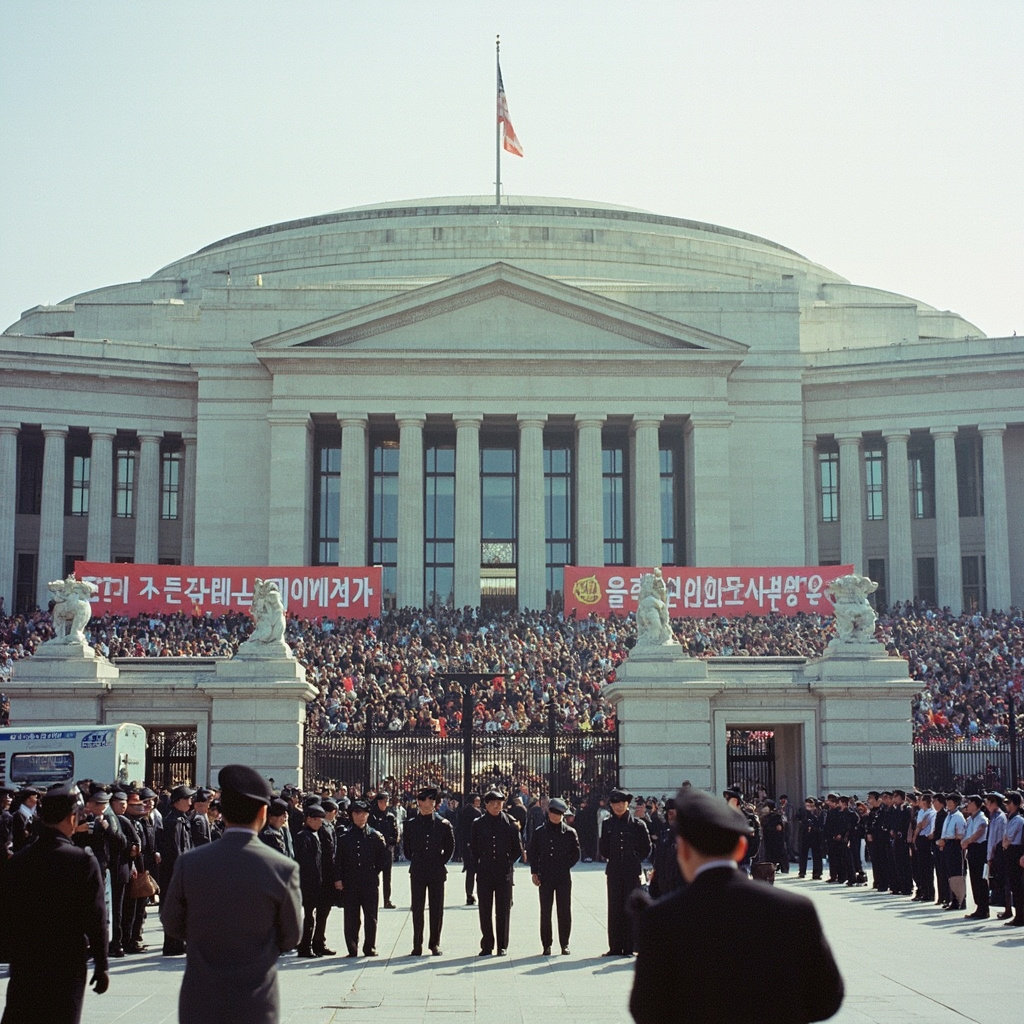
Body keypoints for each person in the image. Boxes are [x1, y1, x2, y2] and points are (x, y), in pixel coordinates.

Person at [630, 787, 844, 1024]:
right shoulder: (795, 909)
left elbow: (646, 1010)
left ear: (683, 851)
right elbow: (827, 998)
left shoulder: (661, 919)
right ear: (742, 848)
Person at [161, 764, 302, 1024]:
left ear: (223, 814)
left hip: (201, 997)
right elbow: (291, 936)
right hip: (255, 1001)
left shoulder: (190, 863)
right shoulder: (283, 868)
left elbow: (172, 923)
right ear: (263, 811)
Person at [0, 782, 109, 1024]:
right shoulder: (81, 861)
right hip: (66, 963)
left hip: (25, 962)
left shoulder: (18, 861)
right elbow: (96, 917)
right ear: (72, 819)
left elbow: (5, 914)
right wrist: (102, 964)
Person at [470, 788, 524, 956]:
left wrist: (507, 861)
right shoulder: (478, 824)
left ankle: (502, 945)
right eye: (492, 803)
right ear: (486, 805)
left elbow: (518, 849)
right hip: (485, 870)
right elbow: (473, 846)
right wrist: (481, 861)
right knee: (485, 909)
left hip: (503, 871)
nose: (496, 806)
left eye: (499, 803)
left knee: (503, 910)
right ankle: (487, 944)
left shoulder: (510, 823)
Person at [402, 785, 455, 955]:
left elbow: (450, 847)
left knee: (436, 908)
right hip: (418, 870)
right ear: (419, 802)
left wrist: (440, 861)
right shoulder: (410, 825)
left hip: (436, 870)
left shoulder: (443, 824)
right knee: (417, 908)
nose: (430, 802)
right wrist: (418, 859)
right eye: (426, 799)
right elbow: (407, 849)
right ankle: (417, 943)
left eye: (433, 799)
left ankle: (434, 943)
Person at [599, 788, 651, 956]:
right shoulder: (607, 824)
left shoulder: (637, 825)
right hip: (614, 870)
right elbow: (604, 849)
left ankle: (629, 946)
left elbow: (647, 848)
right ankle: (615, 946)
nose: (618, 806)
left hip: (632, 871)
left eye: (621, 803)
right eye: (615, 803)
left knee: (630, 907)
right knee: (614, 907)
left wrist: (634, 858)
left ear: (627, 804)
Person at [334, 798, 389, 956]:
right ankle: (352, 947)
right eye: (357, 813)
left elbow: (384, 857)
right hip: (350, 881)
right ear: (351, 815)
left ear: (367, 815)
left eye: (363, 813)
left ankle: (369, 946)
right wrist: (338, 878)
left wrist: (374, 870)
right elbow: (338, 860)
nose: (360, 816)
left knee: (370, 916)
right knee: (351, 916)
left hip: (369, 881)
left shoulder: (375, 836)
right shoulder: (345, 837)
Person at [526, 796, 580, 954]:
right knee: (545, 911)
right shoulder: (540, 832)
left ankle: (565, 943)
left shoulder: (570, 833)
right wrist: (534, 872)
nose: (555, 816)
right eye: (552, 812)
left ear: (563, 814)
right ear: (548, 812)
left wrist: (565, 865)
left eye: (558, 813)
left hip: (563, 876)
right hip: (546, 875)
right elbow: (533, 853)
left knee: (564, 910)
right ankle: (546, 944)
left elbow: (576, 854)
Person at [158, 784, 195, 955]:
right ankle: (172, 944)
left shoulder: (182, 818)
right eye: (187, 799)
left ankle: (178, 942)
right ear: (178, 801)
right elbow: (175, 850)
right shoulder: (173, 821)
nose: (190, 802)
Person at [293, 803, 327, 957]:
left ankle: (309, 945)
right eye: (318, 819)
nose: (321, 822)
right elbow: (306, 863)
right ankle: (304, 946)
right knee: (308, 916)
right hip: (307, 884)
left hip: (314, 883)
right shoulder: (303, 837)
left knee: (310, 916)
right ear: (310, 820)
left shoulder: (314, 834)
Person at [368, 791, 398, 908]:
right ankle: (371, 899)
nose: (384, 804)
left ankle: (387, 900)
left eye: (386, 801)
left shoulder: (390, 817)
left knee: (387, 877)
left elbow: (395, 833)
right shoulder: (372, 816)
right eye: (382, 801)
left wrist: (392, 844)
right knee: (373, 876)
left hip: (387, 850)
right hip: (375, 851)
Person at [961, 794, 989, 919]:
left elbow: (980, 832)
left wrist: (968, 841)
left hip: (979, 849)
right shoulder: (970, 819)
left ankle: (984, 908)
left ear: (976, 805)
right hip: (972, 849)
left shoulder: (981, 818)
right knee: (974, 880)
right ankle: (979, 907)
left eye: (970, 803)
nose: (968, 805)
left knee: (980, 880)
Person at [459, 792, 482, 905]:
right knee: (477, 871)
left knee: (470, 871)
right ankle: (477, 893)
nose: (479, 803)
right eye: (477, 801)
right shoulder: (476, 813)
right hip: (475, 844)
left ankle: (469, 893)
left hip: (466, 844)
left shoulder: (464, 811)